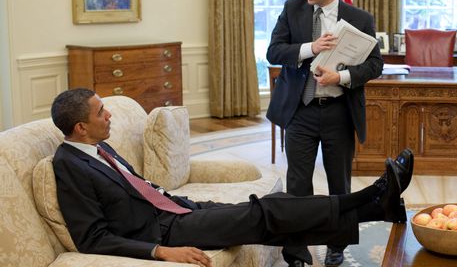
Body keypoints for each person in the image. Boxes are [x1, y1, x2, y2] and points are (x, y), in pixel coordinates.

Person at [51, 88, 412, 267]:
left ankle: (378, 210)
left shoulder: (98, 146)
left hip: (179, 210)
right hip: (164, 232)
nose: (109, 114)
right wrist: (160, 251)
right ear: (81, 127)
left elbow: (138, 189)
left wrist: (182, 204)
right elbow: (91, 238)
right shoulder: (69, 165)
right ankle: (369, 198)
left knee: (277, 206)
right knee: (261, 215)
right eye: (101, 111)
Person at [266, 0, 384, 266]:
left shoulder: (360, 18)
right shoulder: (293, 9)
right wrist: (311, 48)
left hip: (339, 112)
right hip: (300, 112)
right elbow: (274, 51)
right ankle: (297, 249)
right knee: (298, 185)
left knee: (339, 185)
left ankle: (337, 247)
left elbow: (375, 64)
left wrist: (342, 77)